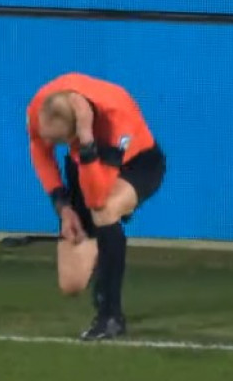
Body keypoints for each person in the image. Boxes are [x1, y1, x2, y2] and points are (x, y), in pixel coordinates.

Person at [26, 72, 166, 340]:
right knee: (72, 283)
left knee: (105, 210)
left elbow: (97, 198)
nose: (51, 145)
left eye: (58, 142)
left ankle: (110, 317)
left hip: (136, 163)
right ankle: (106, 246)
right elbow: (39, 149)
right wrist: (63, 207)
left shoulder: (117, 118)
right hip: (84, 160)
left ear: (74, 134)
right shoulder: (41, 104)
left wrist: (88, 141)